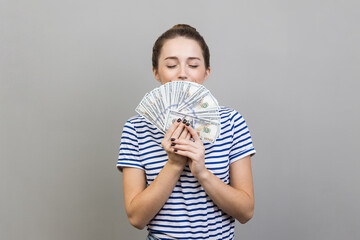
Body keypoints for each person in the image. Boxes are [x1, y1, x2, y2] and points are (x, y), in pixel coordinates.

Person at [117, 24, 256, 240]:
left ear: (206, 72)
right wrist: (174, 164)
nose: (183, 74)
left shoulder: (232, 123)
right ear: (156, 72)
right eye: (171, 65)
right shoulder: (136, 129)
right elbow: (136, 218)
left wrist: (202, 172)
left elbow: (246, 212)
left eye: (193, 65)